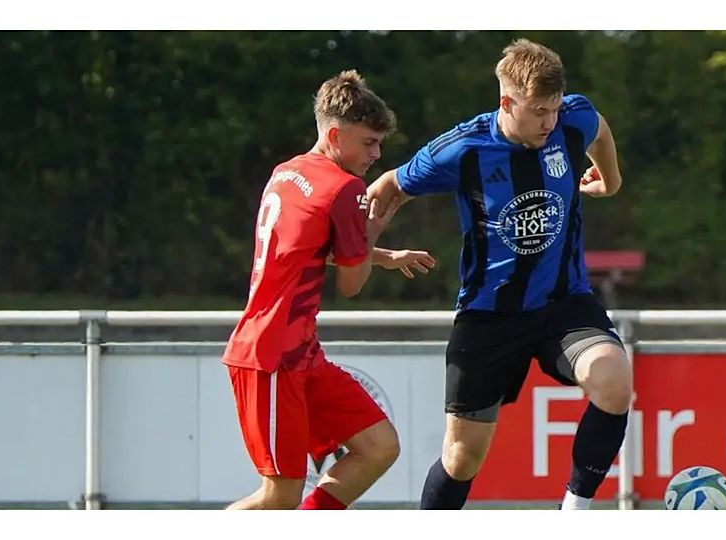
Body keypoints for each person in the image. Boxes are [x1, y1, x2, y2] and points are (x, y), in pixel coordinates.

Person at [367, 39, 630, 510]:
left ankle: (573, 513)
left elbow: (600, 128)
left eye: (553, 109)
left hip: (563, 304)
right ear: (507, 102)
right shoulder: (464, 149)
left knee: (614, 381)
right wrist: (368, 237)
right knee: (462, 458)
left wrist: (609, 180)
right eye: (538, 112)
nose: (549, 122)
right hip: (489, 316)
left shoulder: (573, 120)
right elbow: (394, 183)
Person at [221, 70, 436, 510]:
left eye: (380, 143)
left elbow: (307, 250)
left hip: (298, 354)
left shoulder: (288, 172)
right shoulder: (345, 188)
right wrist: (372, 231)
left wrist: (383, 255)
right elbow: (351, 285)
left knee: (378, 446)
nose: (376, 154)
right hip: (273, 357)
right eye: (368, 143)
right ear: (336, 135)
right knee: (277, 496)